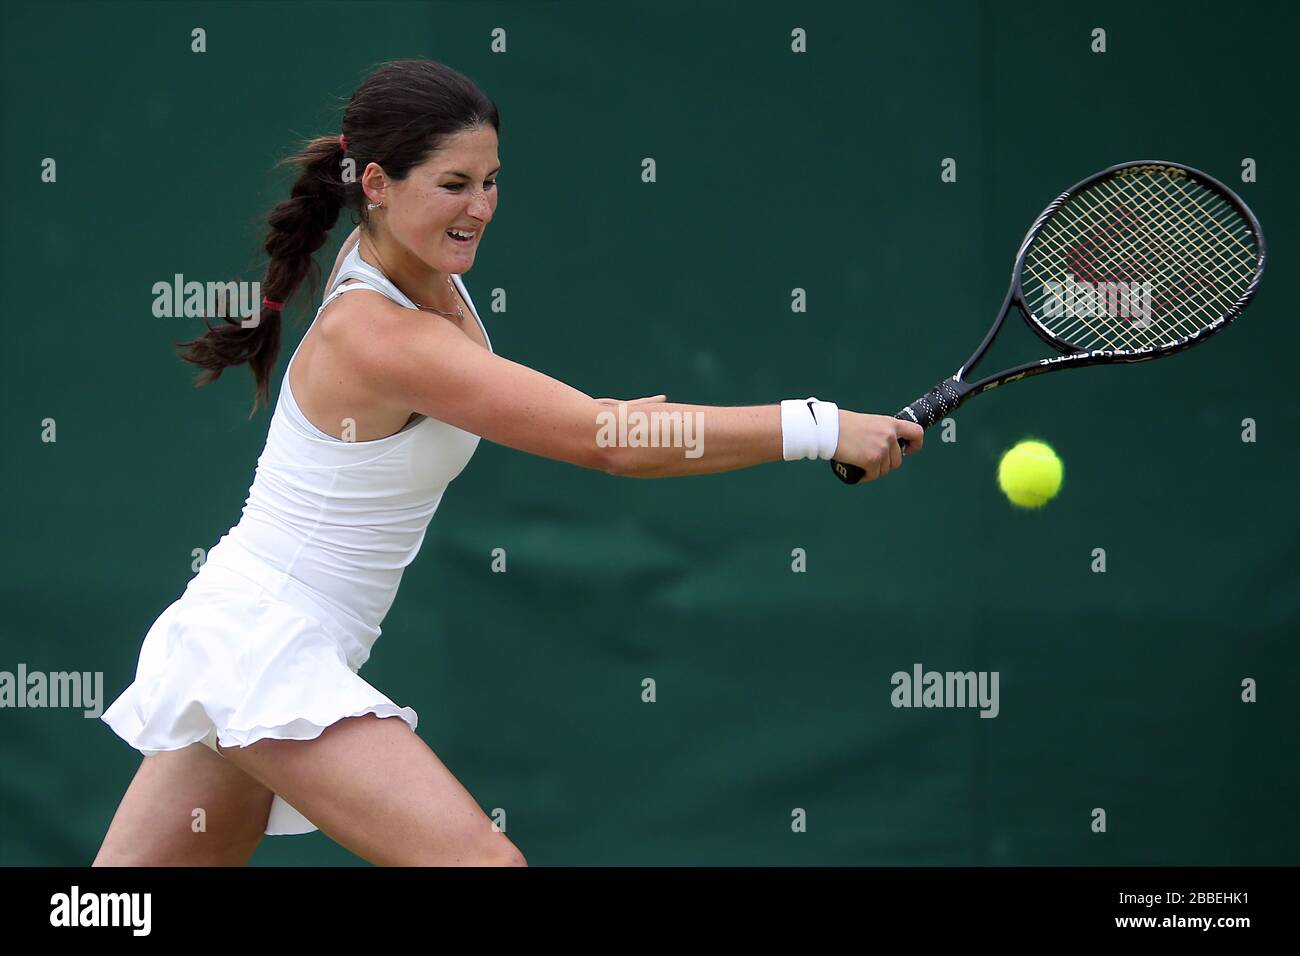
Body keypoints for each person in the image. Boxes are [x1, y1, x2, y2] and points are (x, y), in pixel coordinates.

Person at [94, 59, 923, 867]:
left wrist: (633, 424)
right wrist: (817, 426)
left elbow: (607, 428)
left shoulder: (415, 268)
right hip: (261, 640)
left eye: (491, 180)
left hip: (257, 631)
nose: (481, 207)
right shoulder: (377, 333)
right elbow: (607, 443)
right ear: (376, 184)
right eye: (454, 184)